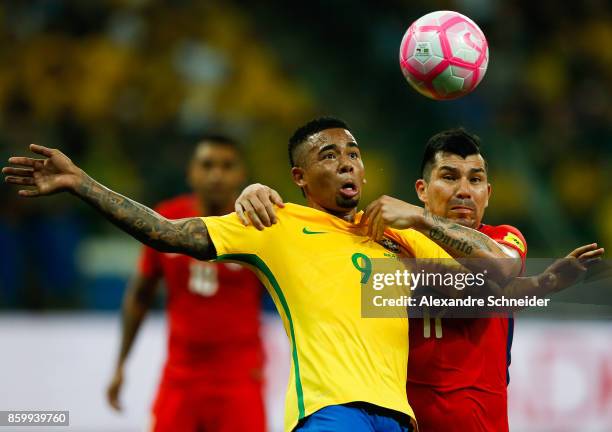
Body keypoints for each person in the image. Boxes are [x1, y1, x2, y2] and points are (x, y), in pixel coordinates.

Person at [3, 117, 461, 432]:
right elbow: (165, 234)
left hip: (399, 417)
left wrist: (425, 220)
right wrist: (83, 184)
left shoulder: (396, 232)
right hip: (331, 412)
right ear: (299, 177)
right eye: (329, 154)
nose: (346, 162)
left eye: (353, 152)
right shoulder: (276, 224)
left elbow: (498, 286)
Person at [234, 128, 604, 431]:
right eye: (449, 177)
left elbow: (496, 279)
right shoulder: (386, 240)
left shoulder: (502, 238)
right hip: (402, 421)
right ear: (421, 191)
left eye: (475, 180)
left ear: (488, 195)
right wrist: (259, 193)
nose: (464, 190)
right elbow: (323, 227)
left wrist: (541, 285)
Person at [105, 135, 266, 432]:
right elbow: (140, 296)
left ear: (241, 174)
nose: (216, 174)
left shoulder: (259, 225)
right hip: (181, 377)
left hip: (240, 377)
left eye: (226, 166)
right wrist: (120, 364)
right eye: (207, 165)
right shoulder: (166, 220)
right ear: (191, 172)